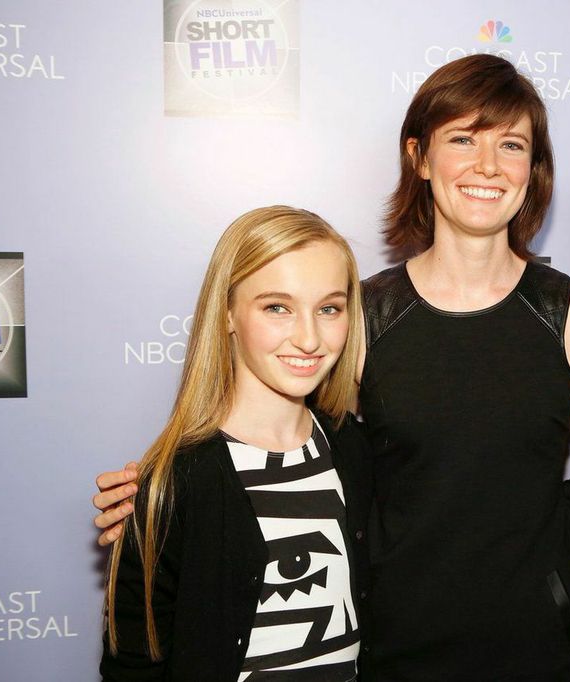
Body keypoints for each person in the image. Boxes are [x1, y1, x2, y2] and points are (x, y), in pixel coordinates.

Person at [95, 55, 570, 681]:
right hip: (392, 647)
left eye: (511, 144)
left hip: (538, 650)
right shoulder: (358, 317)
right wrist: (161, 502)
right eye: (462, 139)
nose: (487, 166)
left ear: (533, 169)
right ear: (419, 157)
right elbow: (287, 457)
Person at [100, 206, 372, 681]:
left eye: (329, 308)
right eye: (277, 307)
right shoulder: (174, 481)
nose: (308, 338)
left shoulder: (355, 449)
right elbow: (133, 667)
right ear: (227, 314)